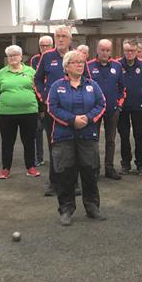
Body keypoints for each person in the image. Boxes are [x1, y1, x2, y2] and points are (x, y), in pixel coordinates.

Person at [47, 50, 107, 226]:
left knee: (90, 172)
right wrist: (72, 120)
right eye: (75, 62)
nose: (80, 65)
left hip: (87, 135)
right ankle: (66, 209)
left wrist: (87, 118)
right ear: (66, 66)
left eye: (82, 62)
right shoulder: (57, 86)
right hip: (63, 136)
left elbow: (101, 104)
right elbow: (52, 108)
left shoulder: (92, 85)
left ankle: (92, 207)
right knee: (65, 174)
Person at [34, 26, 73, 196]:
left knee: (72, 146)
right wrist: (44, 97)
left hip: (72, 110)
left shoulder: (77, 56)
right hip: (52, 111)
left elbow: (87, 79)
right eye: (58, 36)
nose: (60, 39)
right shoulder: (47, 56)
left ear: (70, 39)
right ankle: (54, 182)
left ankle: (73, 183)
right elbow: (37, 79)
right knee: (54, 146)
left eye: (64, 36)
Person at [0, 45, 40, 180]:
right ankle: (6, 169)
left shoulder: (31, 71)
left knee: (29, 141)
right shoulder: (0, 73)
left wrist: (41, 110)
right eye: (10, 55)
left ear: (21, 57)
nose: (13, 57)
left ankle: (31, 167)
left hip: (29, 112)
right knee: (7, 142)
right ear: (7, 58)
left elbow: (38, 91)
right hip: (7, 113)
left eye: (15, 55)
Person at [86, 39, 126, 180]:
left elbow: (122, 87)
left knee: (111, 140)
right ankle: (94, 169)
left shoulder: (117, 66)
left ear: (111, 51)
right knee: (93, 140)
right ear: (97, 50)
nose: (105, 53)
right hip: (94, 111)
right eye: (102, 50)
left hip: (112, 109)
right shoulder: (88, 66)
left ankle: (109, 168)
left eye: (107, 50)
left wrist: (119, 104)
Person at [118, 38, 142, 175]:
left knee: (139, 136)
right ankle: (125, 164)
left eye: (132, 50)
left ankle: (140, 164)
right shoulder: (117, 64)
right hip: (122, 107)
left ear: (137, 51)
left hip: (139, 106)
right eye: (126, 50)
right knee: (124, 136)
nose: (129, 53)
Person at [30, 35, 53, 167]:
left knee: (51, 133)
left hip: (51, 100)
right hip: (38, 99)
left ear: (52, 46)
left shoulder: (54, 57)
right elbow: (36, 78)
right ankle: (39, 158)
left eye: (47, 45)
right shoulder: (35, 59)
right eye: (42, 46)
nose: (44, 48)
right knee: (37, 131)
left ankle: (54, 158)